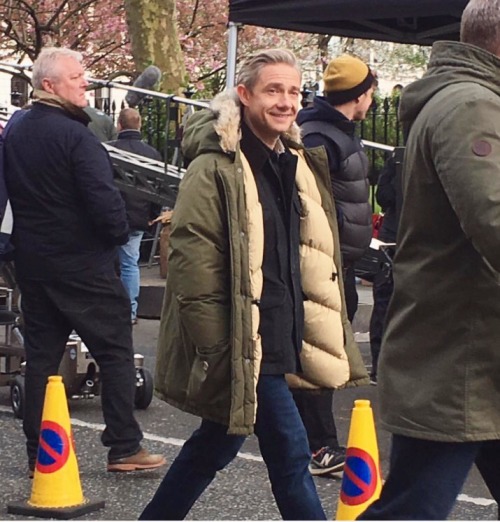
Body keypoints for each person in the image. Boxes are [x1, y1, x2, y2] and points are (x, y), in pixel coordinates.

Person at [139, 48, 363, 520]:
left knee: (215, 445)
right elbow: (192, 264)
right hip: (243, 339)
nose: (285, 102)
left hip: (278, 332)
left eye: (293, 91)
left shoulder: (293, 161)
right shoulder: (215, 166)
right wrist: (220, 349)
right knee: (291, 450)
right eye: (273, 90)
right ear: (243, 95)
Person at [359, 0, 500, 518]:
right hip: (462, 359)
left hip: (470, 352)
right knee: (412, 508)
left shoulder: (471, 101)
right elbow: (494, 219)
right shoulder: (472, 106)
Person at [4, 47, 165, 476]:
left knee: (41, 357)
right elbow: (104, 202)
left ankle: (39, 450)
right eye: (77, 77)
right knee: (114, 351)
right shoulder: (78, 137)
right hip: (83, 262)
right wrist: (117, 233)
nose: (86, 83)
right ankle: (124, 445)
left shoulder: (17, 129)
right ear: (50, 85)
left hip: (34, 260)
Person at [292, 54, 375, 477]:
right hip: (324, 258)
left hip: (340, 257)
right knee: (319, 348)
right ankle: (320, 444)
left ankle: (307, 438)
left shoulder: (335, 132)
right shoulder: (321, 137)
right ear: (360, 95)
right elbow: (308, 201)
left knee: (322, 345)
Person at [107, 108, 162, 324]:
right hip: (139, 216)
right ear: (139, 125)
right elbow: (157, 189)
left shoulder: (109, 150)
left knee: (107, 264)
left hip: (111, 215)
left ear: (119, 125)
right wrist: (152, 215)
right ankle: (129, 312)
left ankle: (108, 309)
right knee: (131, 264)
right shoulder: (152, 153)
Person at [368, 153, 400, 384]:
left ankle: (379, 366)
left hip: (391, 234)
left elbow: (384, 196)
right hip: (414, 233)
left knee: (383, 301)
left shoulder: (396, 158)